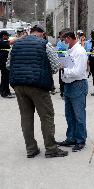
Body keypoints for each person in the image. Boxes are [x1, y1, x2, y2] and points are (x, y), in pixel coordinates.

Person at [8, 24, 68, 158]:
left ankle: (31, 149)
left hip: (18, 85)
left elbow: (8, 65)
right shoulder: (45, 44)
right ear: (42, 33)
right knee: (46, 116)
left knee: (26, 117)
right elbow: (55, 66)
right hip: (38, 85)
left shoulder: (16, 44)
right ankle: (51, 149)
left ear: (31, 32)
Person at [57, 29, 89, 152]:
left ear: (69, 38)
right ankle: (71, 137)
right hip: (68, 85)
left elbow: (78, 71)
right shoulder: (69, 50)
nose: (62, 42)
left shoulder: (80, 52)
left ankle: (80, 140)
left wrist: (64, 69)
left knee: (79, 115)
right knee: (69, 114)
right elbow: (69, 66)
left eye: (63, 40)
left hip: (78, 85)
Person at [0, 31, 14, 98]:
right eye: (7, 35)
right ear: (3, 36)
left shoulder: (3, 41)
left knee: (5, 77)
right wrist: (22, 37)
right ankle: (4, 93)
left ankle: (6, 91)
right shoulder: (1, 42)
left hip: (5, 62)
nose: (8, 37)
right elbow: (11, 42)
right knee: (5, 78)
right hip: (3, 63)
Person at [56, 31, 69, 99]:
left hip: (69, 61)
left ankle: (67, 92)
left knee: (68, 77)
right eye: (61, 36)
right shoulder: (59, 43)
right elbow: (58, 52)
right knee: (62, 78)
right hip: (62, 61)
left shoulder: (68, 42)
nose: (62, 37)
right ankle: (62, 93)